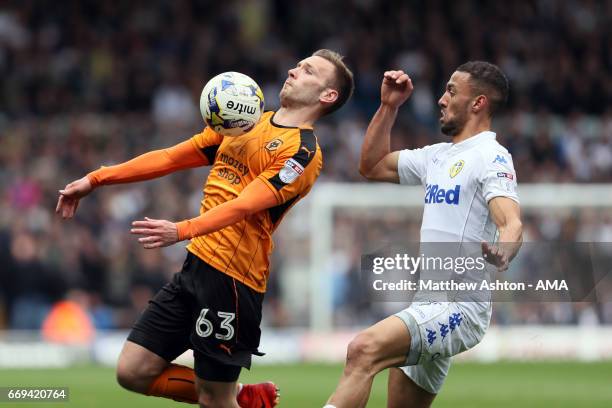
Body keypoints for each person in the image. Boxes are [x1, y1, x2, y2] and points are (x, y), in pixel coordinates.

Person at [56, 49, 354, 408]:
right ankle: (239, 397)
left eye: (307, 71)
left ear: (328, 95)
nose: (293, 70)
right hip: (195, 267)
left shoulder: (303, 152)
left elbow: (246, 204)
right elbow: (169, 157)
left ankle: (227, 397)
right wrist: (96, 178)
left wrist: (181, 230)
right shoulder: (245, 121)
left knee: (214, 400)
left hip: (233, 280)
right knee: (132, 371)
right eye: (298, 65)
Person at [325, 62, 523, 408]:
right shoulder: (437, 156)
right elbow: (371, 165)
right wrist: (389, 107)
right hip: (429, 303)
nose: (441, 100)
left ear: (478, 103)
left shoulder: (491, 156)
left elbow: (511, 222)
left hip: (458, 307)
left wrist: (504, 250)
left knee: (363, 350)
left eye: (451, 91)